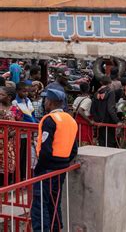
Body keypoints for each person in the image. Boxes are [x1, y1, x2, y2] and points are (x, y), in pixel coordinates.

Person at [31, 89, 78, 232]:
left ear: (50, 102)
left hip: (48, 168)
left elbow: (45, 149)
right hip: (62, 166)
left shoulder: (49, 119)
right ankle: (56, 228)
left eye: (45, 100)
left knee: (40, 203)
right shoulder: (70, 119)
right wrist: (64, 162)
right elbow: (74, 149)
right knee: (54, 201)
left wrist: (40, 168)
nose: (44, 103)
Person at [90, 76, 122, 148]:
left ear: (101, 83)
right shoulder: (111, 92)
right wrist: (117, 121)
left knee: (101, 144)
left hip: (99, 123)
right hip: (109, 122)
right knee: (109, 144)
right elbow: (110, 109)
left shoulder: (96, 93)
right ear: (110, 83)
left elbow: (92, 110)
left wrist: (97, 120)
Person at [0, 87, 19, 186]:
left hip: (9, 141)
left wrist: (11, 133)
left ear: (9, 97)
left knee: (8, 162)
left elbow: (20, 124)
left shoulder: (15, 109)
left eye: (1, 94)